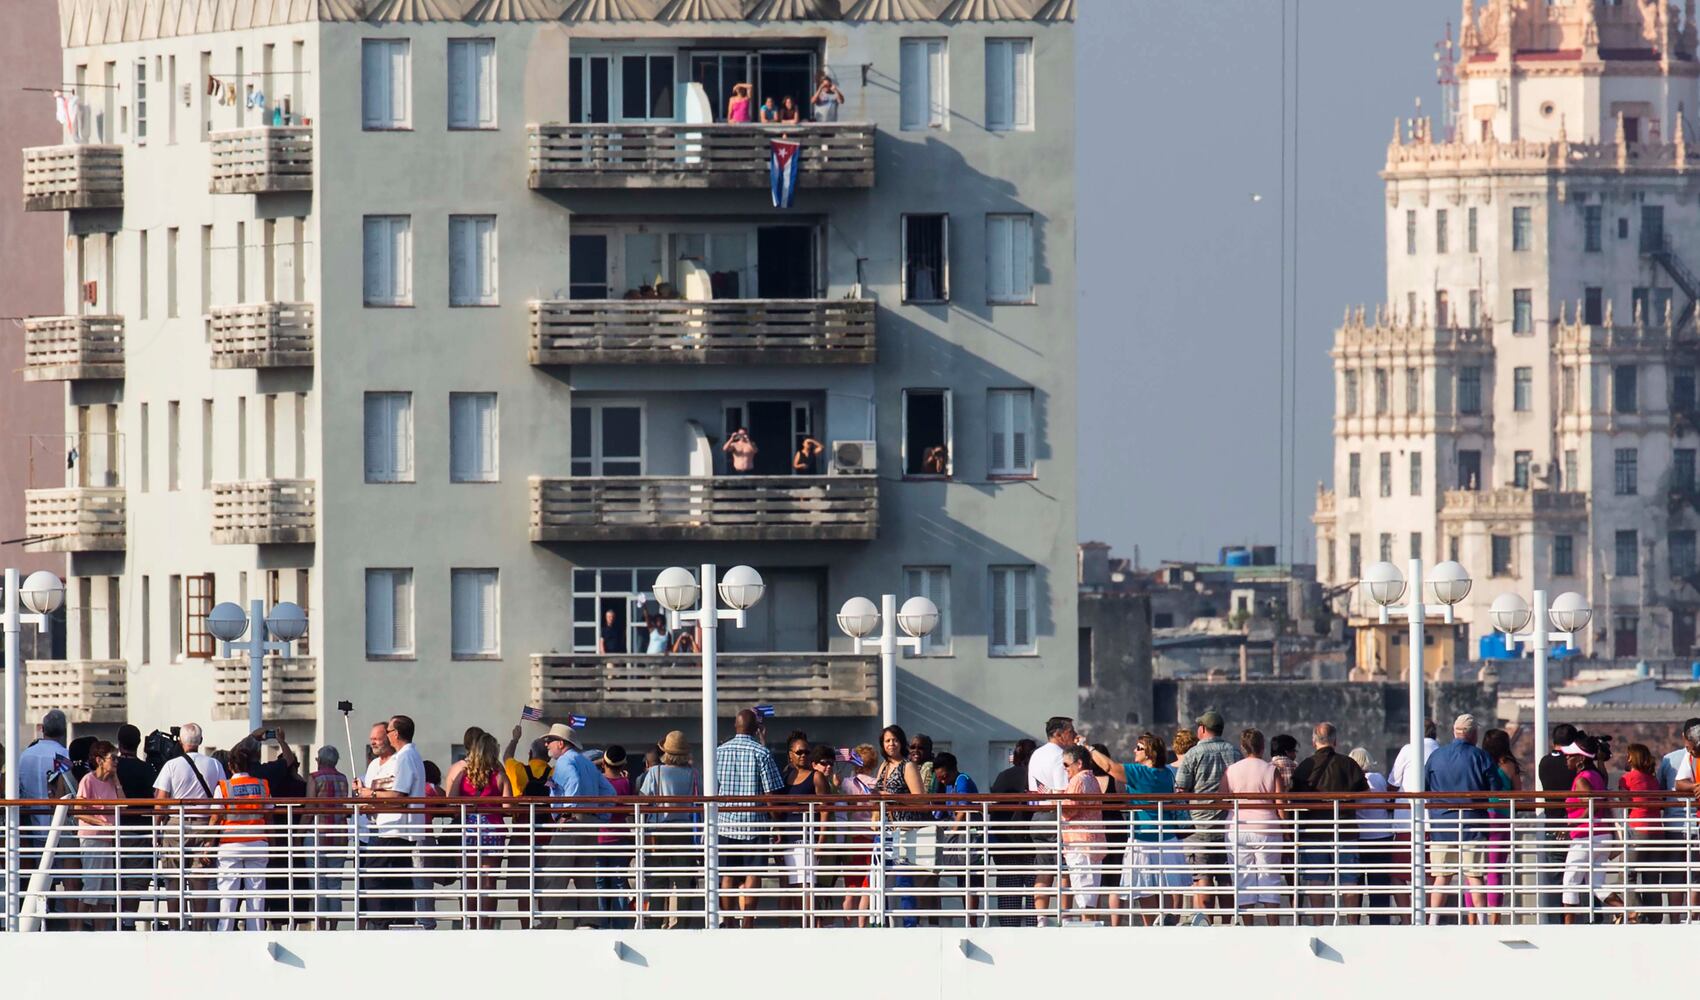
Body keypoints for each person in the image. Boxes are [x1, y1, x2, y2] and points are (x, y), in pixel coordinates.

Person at [1089, 733, 1186, 925]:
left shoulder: (1139, 772)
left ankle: (1151, 926)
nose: (1135, 750)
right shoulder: (1166, 773)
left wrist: (1090, 749)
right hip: (1167, 838)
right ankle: (1167, 922)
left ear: (1150, 753)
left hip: (1143, 838)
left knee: (1143, 888)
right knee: (1165, 886)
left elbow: (1109, 767)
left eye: (1139, 747)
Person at [538, 722, 615, 929]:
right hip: (590, 822)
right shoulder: (586, 762)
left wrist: (567, 812)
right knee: (585, 874)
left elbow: (573, 781)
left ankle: (547, 923)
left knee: (555, 872)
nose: (547, 745)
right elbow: (609, 791)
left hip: (572, 821)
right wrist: (601, 815)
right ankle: (589, 920)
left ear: (561, 744)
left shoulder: (565, 761)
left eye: (550, 741)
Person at [151, 721, 227, 928]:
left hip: (176, 825)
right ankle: (199, 925)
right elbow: (222, 799)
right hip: (205, 824)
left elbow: (161, 802)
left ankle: (176, 925)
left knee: (173, 879)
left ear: (181, 741)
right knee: (200, 879)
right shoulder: (215, 765)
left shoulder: (171, 765)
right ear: (200, 741)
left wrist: (157, 832)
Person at [1290, 721, 1368, 922]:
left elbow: (1293, 796)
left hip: (1313, 831)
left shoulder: (1305, 766)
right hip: (1345, 830)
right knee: (1349, 879)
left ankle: (1318, 923)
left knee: (1316, 879)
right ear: (1335, 741)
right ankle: (1352, 923)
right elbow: (1364, 792)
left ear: (1314, 741)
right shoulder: (1348, 763)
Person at [353, 715, 426, 927]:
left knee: (373, 875)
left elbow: (399, 795)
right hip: (397, 828)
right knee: (399, 878)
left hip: (395, 829)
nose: (386, 736)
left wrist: (370, 794)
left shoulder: (404, 757)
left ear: (396, 734)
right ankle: (401, 922)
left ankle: (381, 923)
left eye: (389, 732)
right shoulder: (410, 755)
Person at [714, 710, 783, 927]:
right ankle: (748, 922)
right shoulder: (761, 753)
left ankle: (729, 921)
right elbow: (771, 793)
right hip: (755, 822)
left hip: (725, 824)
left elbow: (713, 789)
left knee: (727, 875)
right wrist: (777, 824)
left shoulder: (718, 752)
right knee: (753, 873)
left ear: (735, 726)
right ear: (756, 729)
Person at [1424, 714, 1497, 923]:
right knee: (1475, 876)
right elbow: (1495, 790)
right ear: (1473, 733)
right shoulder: (1480, 757)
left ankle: (1432, 922)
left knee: (1442, 876)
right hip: (1473, 824)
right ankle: (1483, 921)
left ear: (1455, 732)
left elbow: (1425, 785)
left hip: (1442, 825)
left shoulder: (1436, 756)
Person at [1172, 709, 1242, 923]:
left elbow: (1181, 789)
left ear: (1202, 729)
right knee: (1226, 879)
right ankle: (1231, 923)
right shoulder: (1234, 752)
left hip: (1199, 825)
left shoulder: (1193, 753)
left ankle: (1205, 923)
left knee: (1202, 877)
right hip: (1227, 826)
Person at [1221, 728, 1283, 923]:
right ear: (1262, 747)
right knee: (1269, 878)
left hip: (1237, 827)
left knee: (1243, 879)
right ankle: (1273, 926)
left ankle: (1248, 928)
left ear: (1242, 747)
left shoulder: (1232, 770)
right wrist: (1288, 830)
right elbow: (1281, 803)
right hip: (1266, 827)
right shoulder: (1271, 769)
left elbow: (1221, 796)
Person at [639, 731, 700, 928]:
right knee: (682, 881)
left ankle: (656, 922)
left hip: (658, 831)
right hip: (683, 830)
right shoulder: (693, 773)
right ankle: (682, 924)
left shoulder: (655, 772)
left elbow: (643, 798)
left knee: (657, 881)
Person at [211, 742, 271, 931]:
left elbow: (215, 816)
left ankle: (225, 932)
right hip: (258, 842)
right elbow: (269, 814)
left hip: (230, 844)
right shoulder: (262, 785)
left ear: (230, 766)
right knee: (256, 894)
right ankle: (256, 932)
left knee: (228, 894)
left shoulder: (224, 787)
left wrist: (207, 842)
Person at [454, 732, 511, 929]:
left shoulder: (464, 774)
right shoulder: (499, 775)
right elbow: (508, 807)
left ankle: (471, 923)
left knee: (470, 882)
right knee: (489, 882)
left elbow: (452, 801)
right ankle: (487, 925)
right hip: (493, 829)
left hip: (469, 828)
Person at [872, 724, 927, 925]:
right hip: (884, 829)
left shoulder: (908, 766)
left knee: (904, 880)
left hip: (903, 830)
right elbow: (879, 797)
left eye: (894, 740)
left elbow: (920, 800)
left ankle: (909, 923)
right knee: (878, 879)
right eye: (887, 740)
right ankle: (881, 921)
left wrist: (892, 797)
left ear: (901, 742)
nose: (891, 744)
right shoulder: (883, 767)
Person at [1561, 734, 1620, 921]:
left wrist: (1571, 824)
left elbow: (1590, 804)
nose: (1566, 758)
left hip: (1586, 837)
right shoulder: (1596, 775)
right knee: (1597, 884)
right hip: (1602, 835)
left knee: (1570, 882)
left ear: (1580, 759)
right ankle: (1630, 912)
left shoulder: (1581, 779)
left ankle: (1568, 929)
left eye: (1570, 755)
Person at [1027, 716, 1075, 923]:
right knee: (1065, 870)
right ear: (1058, 734)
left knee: (1043, 870)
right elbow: (1062, 790)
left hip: (1038, 815)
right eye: (1070, 731)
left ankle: (1041, 919)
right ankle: (1064, 917)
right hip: (1057, 816)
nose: (1074, 735)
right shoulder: (1060, 756)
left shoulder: (1036, 754)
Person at [989, 738, 1039, 926]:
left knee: (1009, 894)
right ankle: (1035, 931)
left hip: (1006, 842)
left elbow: (994, 807)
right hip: (1032, 842)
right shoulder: (1035, 776)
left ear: (1015, 756)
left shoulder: (1004, 776)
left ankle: (1009, 933)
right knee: (1034, 892)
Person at [111, 724, 156, 927]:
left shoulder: (111, 766)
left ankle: (111, 921)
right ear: (139, 744)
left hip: (111, 830)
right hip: (141, 830)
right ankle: (128, 923)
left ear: (119, 744)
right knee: (135, 881)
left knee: (111, 878)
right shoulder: (147, 769)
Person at [74, 740, 121, 930]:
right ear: (100, 760)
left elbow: (124, 804)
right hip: (92, 837)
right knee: (91, 886)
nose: (117, 762)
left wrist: (116, 781)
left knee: (106, 891)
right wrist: (100, 821)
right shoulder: (88, 780)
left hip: (107, 838)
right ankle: (76, 930)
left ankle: (101, 931)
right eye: (113, 758)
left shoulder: (111, 782)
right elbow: (78, 810)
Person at [1349, 748, 1397, 924]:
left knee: (1357, 884)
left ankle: (1355, 923)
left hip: (1359, 838)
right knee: (1379, 886)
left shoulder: (1353, 781)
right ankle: (1380, 923)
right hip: (1381, 837)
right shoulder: (1378, 778)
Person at [305, 744, 350, 929]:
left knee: (318, 885)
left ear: (320, 760)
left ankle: (321, 927)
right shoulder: (343, 779)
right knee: (334, 885)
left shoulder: (315, 778)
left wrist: (298, 833)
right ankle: (333, 927)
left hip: (318, 834)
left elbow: (310, 809)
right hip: (339, 835)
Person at [933, 751, 981, 921]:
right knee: (963, 878)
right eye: (939, 778)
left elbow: (962, 810)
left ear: (953, 770)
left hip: (971, 836)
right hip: (962, 838)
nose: (943, 781)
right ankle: (969, 918)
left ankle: (972, 920)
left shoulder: (962, 781)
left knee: (971, 879)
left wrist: (951, 833)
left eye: (944, 776)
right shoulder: (949, 784)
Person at [1059, 746, 1106, 918]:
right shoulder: (1091, 778)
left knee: (1084, 894)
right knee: (1090, 895)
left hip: (1079, 843)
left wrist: (1053, 800)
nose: (1065, 769)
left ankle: (1087, 929)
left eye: (1066, 764)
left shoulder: (1078, 780)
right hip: (1092, 842)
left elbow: (1070, 809)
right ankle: (1090, 925)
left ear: (1078, 763)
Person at [1475, 728, 1515, 920]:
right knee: (1495, 869)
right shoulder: (1508, 765)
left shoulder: (1481, 762)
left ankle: (1473, 918)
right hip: (1501, 818)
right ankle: (1494, 918)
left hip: (1480, 816)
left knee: (1473, 870)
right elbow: (1518, 791)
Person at [1619, 742, 1661, 921]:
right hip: (1658, 831)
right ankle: (1655, 916)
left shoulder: (1627, 778)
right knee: (1651, 876)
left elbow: (1623, 801)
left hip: (1639, 829)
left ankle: (1638, 911)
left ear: (1631, 757)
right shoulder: (1653, 779)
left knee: (1626, 873)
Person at [596, 745, 634, 926]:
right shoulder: (625, 783)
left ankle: (602, 924)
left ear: (603, 762)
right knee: (619, 882)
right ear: (623, 765)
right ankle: (620, 924)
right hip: (620, 838)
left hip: (599, 839)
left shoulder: (597, 782)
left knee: (600, 884)